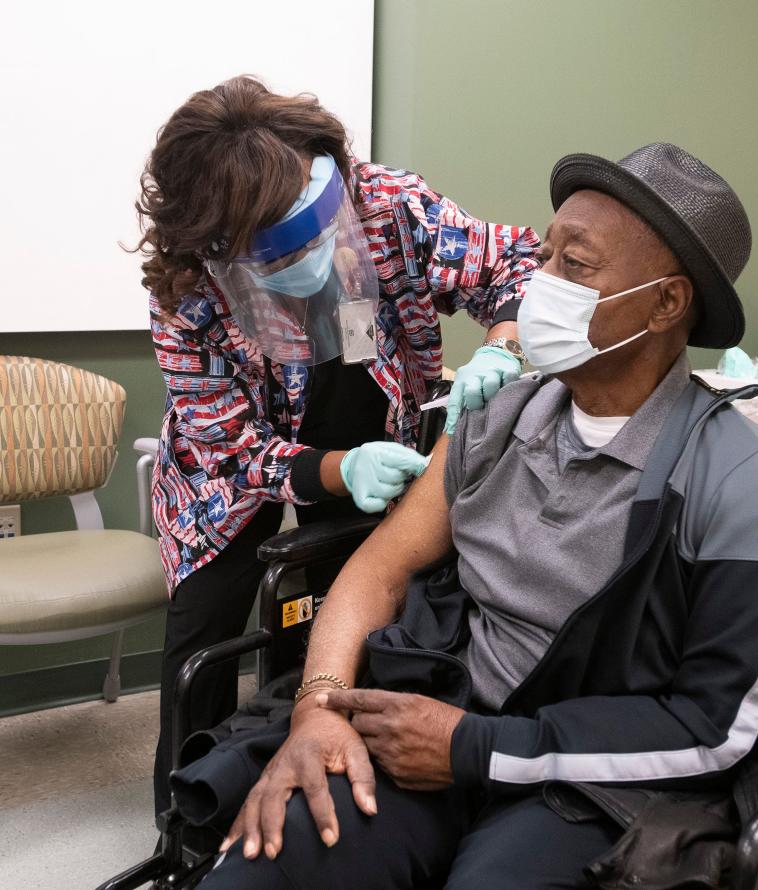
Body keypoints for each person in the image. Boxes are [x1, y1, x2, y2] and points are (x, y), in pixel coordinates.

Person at [177, 143, 758, 888]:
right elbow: (379, 568)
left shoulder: (743, 478)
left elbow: (720, 727)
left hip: (584, 780)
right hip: (431, 722)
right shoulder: (498, 418)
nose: (538, 286)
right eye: (542, 256)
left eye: (574, 267)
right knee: (267, 863)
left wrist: (479, 747)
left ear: (666, 303)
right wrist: (317, 711)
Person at [141, 75, 539, 816]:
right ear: (218, 247)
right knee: (204, 620)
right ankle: (186, 809)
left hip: (359, 408)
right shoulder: (186, 297)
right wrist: (334, 471)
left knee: (329, 610)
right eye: (284, 249)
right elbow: (229, 446)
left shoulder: (388, 203)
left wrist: (504, 347)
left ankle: (307, 779)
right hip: (224, 473)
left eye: (323, 225)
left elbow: (514, 263)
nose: (318, 254)